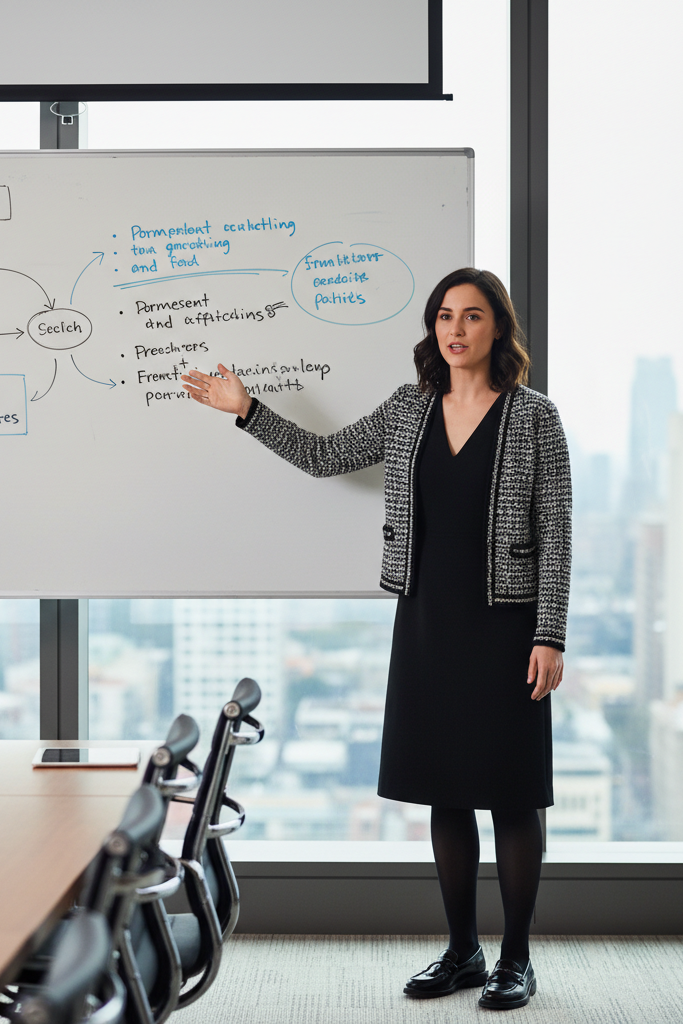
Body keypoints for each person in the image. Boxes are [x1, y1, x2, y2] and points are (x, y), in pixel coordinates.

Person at [181, 267, 571, 1011]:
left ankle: (516, 960)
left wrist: (549, 634)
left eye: (472, 316)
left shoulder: (534, 418)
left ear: (498, 327)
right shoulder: (408, 408)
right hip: (426, 620)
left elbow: (556, 532)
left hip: (507, 625)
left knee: (513, 795)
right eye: (444, 316)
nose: (455, 329)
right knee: (445, 791)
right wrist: (247, 410)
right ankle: (463, 951)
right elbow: (326, 455)